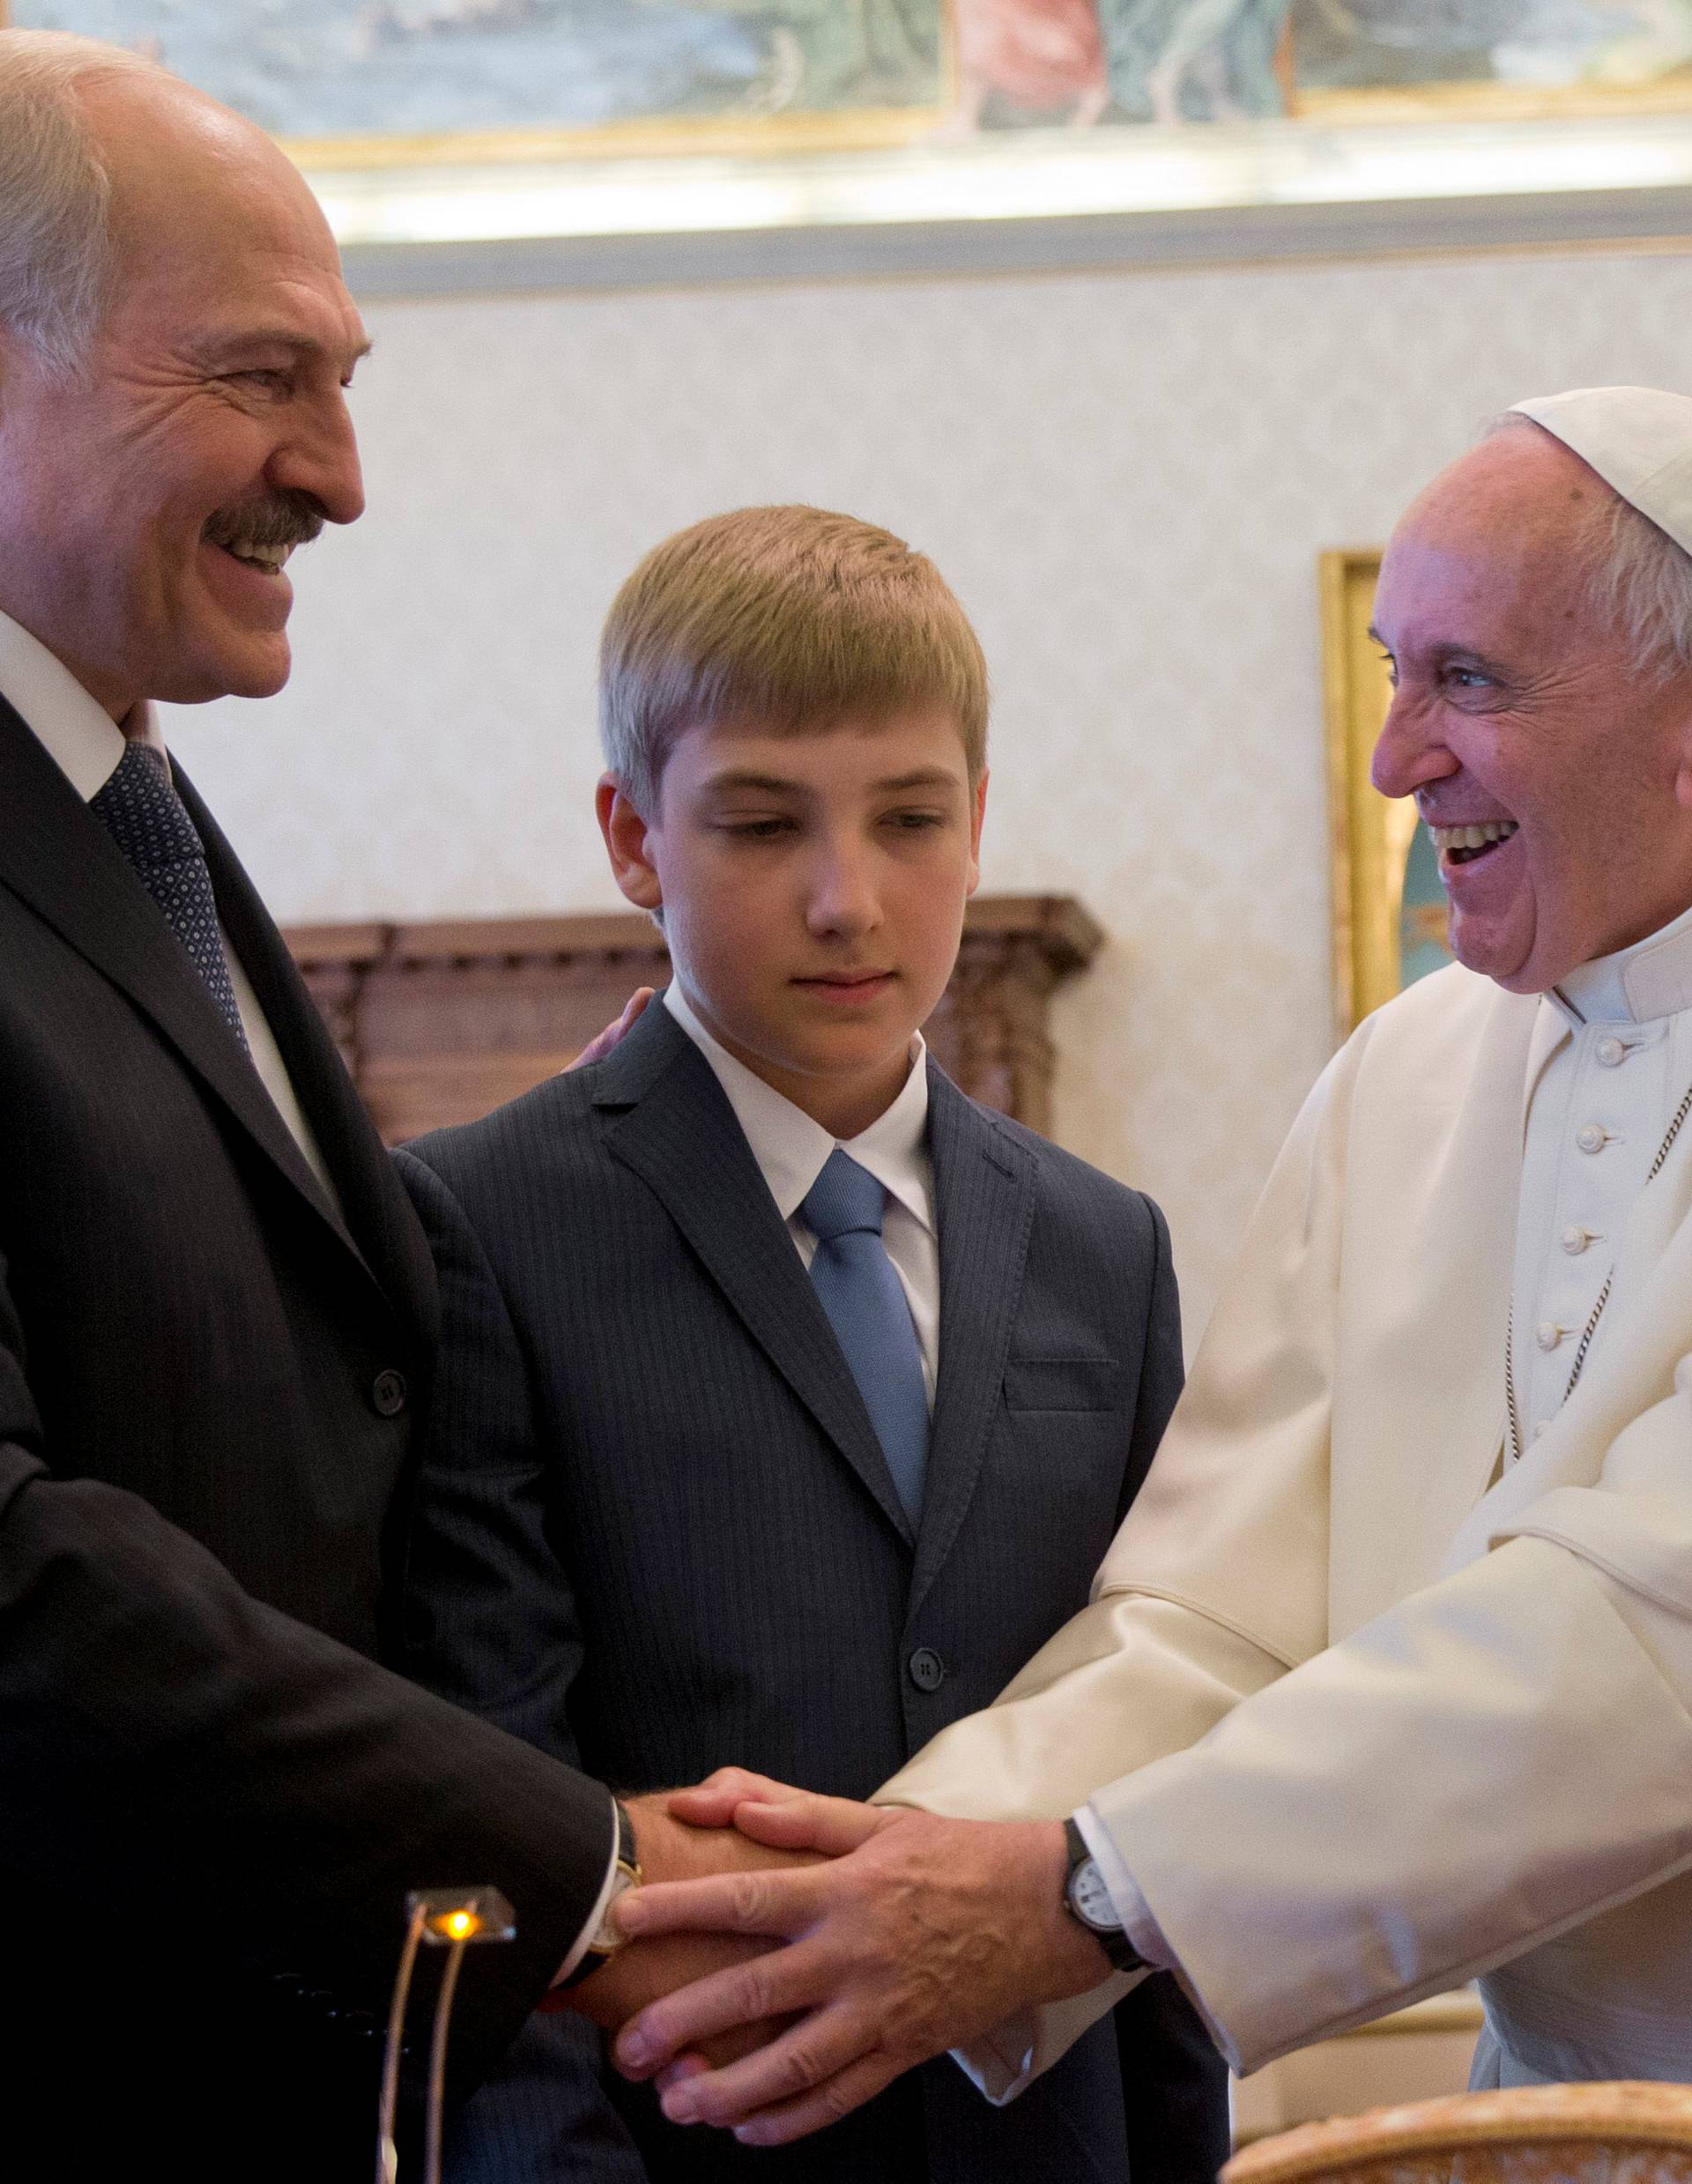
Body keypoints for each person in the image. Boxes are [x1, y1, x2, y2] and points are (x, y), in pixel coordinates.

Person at [600, 386, 1692, 2137]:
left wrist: (1074, 1891)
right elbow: (1215, 1616)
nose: (1395, 756)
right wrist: (876, 1884)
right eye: (1393, 674)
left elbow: (1640, 1642)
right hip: (1565, 2116)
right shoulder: (1406, 1081)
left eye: (1467, 680)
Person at [0, 34, 774, 2180]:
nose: (340, 477)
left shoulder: (129, 821)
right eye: (262, 377)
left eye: (345, 384)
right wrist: (587, 1875)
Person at [392, 504, 1228, 2184]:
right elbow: (482, 1790)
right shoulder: (473, 1224)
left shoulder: (1102, 1246)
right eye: (763, 824)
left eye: (910, 819)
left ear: (978, 824)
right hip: (682, 2137)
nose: (849, 900)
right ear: (635, 837)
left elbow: (1162, 1742)